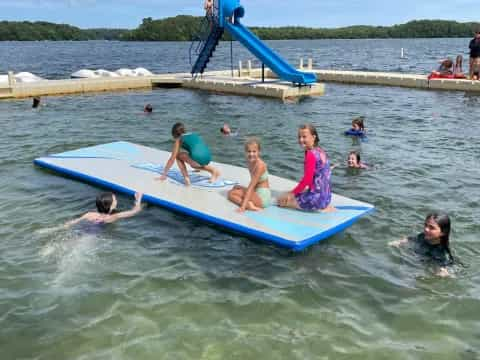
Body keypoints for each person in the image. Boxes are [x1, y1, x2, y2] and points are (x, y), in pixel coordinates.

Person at [277, 124, 334, 212]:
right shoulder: (320, 151)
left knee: (280, 200)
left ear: (313, 137)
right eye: (299, 137)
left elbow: (307, 180)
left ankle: (319, 209)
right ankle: (323, 206)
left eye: (304, 137)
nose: (301, 140)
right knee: (295, 193)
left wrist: (291, 194)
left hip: (316, 200)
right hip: (326, 197)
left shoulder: (310, 154)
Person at [389, 213, 455, 277]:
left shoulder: (443, 254)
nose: (426, 229)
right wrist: (399, 242)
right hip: (417, 258)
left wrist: (442, 272)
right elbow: (410, 239)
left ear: (443, 233)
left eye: (431, 228)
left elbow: (444, 268)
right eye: (425, 225)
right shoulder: (423, 236)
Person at [228, 138, 271, 212]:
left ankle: (249, 206)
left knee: (231, 194)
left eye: (254, 151)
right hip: (256, 191)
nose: (251, 154)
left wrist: (243, 207)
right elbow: (253, 186)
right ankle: (249, 203)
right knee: (235, 187)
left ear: (259, 152)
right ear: (245, 152)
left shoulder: (260, 165)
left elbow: (251, 187)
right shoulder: (250, 162)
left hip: (262, 197)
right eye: (249, 151)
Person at [65, 192, 144, 227]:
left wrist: (65, 226)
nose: (116, 200)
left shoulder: (90, 214)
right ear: (111, 206)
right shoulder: (111, 217)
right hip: (91, 235)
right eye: (115, 200)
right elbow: (134, 211)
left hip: (82, 229)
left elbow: (72, 222)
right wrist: (138, 199)